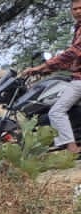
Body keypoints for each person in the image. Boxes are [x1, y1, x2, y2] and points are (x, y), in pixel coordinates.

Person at [19, 0, 81, 156]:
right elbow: (73, 61)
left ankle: (72, 148)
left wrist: (40, 67)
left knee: (56, 112)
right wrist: (45, 70)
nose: (78, 11)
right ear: (71, 11)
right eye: (75, 8)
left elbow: (72, 53)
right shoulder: (78, 29)